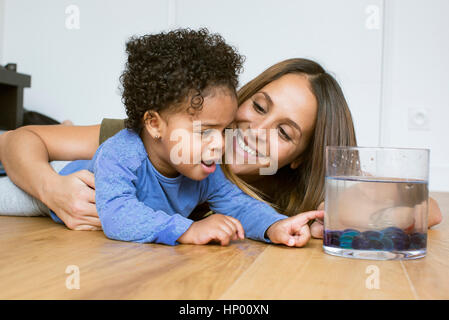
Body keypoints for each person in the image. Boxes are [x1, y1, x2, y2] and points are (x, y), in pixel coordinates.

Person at [0, 56, 442, 243]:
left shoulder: (283, 195)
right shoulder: (160, 140)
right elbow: (21, 140)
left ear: (300, 157)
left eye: (284, 133)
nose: (254, 128)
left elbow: (430, 210)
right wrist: (51, 189)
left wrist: (350, 205)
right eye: (259, 105)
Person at [0, 29, 324, 247]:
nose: (220, 143)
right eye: (205, 132)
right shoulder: (123, 152)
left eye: (223, 131)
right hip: (41, 194)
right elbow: (117, 216)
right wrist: (187, 230)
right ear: (154, 124)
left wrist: (274, 227)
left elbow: (239, 205)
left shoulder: (206, 170)